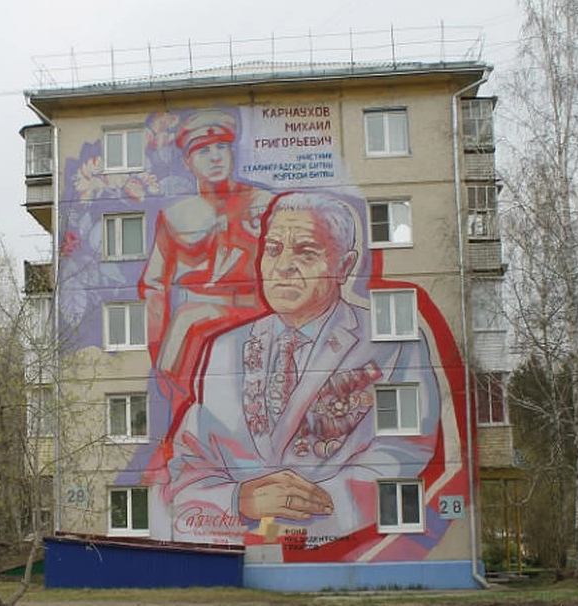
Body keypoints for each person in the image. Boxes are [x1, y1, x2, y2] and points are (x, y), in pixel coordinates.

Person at [164, 192, 441, 546]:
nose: (283, 267)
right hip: (243, 545)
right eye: (273, 249)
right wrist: (238, 499)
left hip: (343, 541)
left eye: (306, 252)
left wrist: (318, 506)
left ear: (345, 266)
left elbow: (405, 449)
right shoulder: (224, 349)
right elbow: (191, 461)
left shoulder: (389, 342)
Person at [139, 110, 273, 421]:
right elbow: (154, 284)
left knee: (191, 319)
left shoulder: (264, 203)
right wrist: (158, 346)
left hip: (256, 315)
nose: (215, 157)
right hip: (195, 331)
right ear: (187, 162)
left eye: (222, 147)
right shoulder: (175, 216)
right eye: (203, 150)